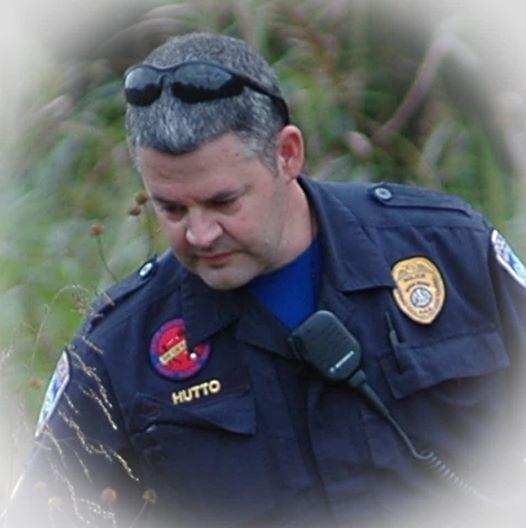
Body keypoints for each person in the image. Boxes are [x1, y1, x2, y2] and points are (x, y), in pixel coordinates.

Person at [4, 32, 526, 528]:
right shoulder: (116, 353)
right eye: (171, 209)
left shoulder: (450, 252)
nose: (200, 234)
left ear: (287, 154)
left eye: (223, 201)